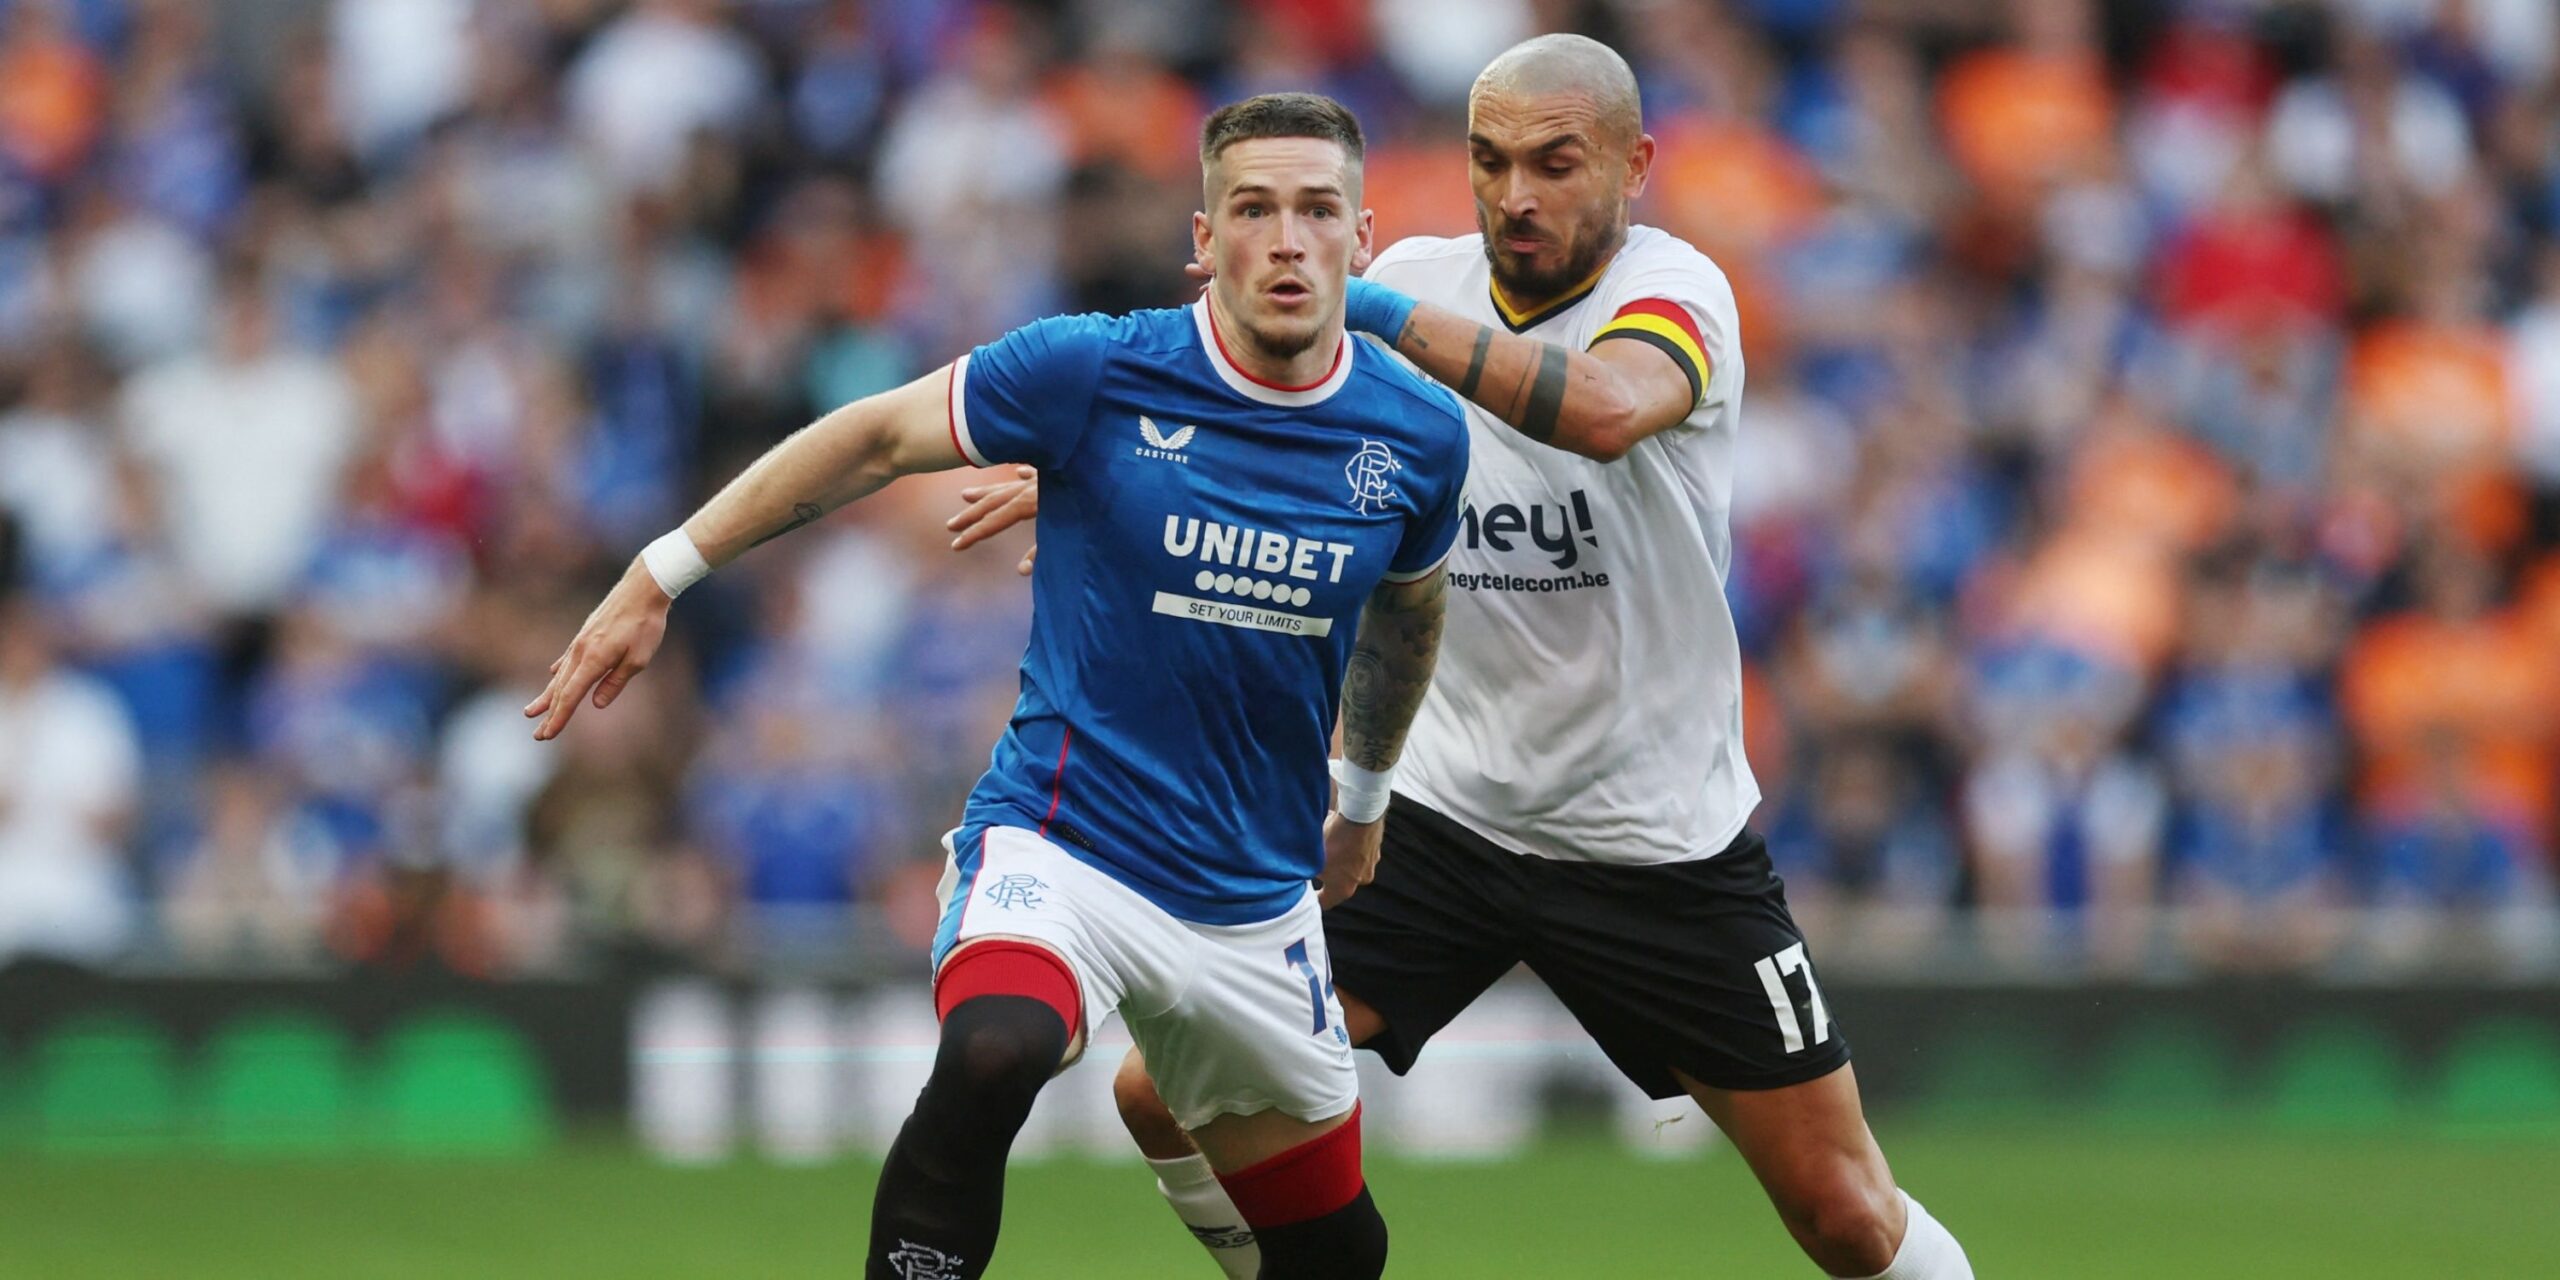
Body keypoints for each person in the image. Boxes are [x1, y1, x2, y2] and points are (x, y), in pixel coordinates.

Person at [946, 35, 1974, 1280]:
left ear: (1635, 165)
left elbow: (1604, 409)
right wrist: (1108, 478)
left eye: (1554, 163)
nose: (1515, 194)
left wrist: (1366, 303)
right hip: (1438, 819)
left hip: (1649, 839)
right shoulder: (1416, 283)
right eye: (1490, 162)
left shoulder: (1673, 289)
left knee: (1846, 1214)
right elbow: (1242, 403)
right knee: (1158, 1095)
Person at [527, 92, 1468, 1280]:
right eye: (1253, 209)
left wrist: (1365, 798)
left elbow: (1408, 616)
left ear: (1363, 235)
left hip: (1253, 893)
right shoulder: (1098, 368)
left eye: (1317, 210)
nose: (1287, 240)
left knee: (1337, 1257)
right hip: (1070, 844)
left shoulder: (1416, 435)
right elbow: (873, 436)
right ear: (1203, 236)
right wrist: (659, 573)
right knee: (995, 1046)